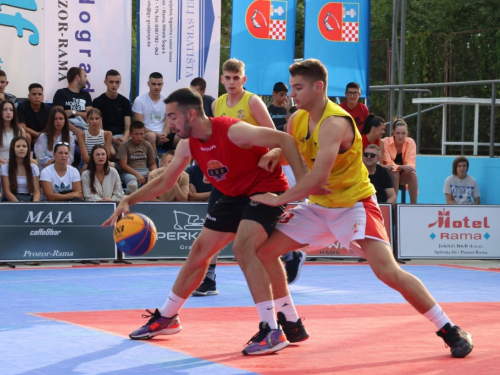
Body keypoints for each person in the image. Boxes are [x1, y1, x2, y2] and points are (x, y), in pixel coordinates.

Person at [250, 58, 473, 359]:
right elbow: (297, 156)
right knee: (263, 251)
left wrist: (279, 199)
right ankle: (290, 321)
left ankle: (449, 328)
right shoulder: (296, 120)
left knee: (387, 271)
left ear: (319, 87)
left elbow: (318, 177)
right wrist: (278, 151)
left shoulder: (335, 123)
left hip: (353, 205)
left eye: (298, 87)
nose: (292, 94)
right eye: (291, 88)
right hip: (319, 207)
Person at [102, 87, 306, 356]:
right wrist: (129, 200)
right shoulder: (187, 144)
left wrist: (302, 188)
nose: (169, 124)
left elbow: (286, 139)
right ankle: (168, 317)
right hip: (234, 194)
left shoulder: (233, 130)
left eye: (173, 117)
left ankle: (271, 329)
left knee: (244, 248)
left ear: (191, 115)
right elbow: (165, 180)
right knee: (200, 251)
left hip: (265, 189)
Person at [196, 58, 304, 296]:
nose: (232, 82)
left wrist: (267, 159)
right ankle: (210, 278)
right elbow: (215, 141)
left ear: (244, 80)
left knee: (254, 230)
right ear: (222, 79)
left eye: (236, 78)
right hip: (227, 176)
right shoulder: (217, 105)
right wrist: (209, 168)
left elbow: (274, 137)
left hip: (255, 176)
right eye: (228, 78)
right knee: (212, 222)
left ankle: (290, 254)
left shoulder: (252, 102)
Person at [92, 69, 132, 159]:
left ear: (120, 83)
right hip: (104, 136)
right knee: (111, 153)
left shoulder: (125, 102)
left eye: (117, 82)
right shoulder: (98, 102)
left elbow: (128, 126)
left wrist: (124, 138)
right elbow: (99, 128)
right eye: (111, 82)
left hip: (121, 136)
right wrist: (112, 140)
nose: (114, 85)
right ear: (105, 82)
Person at [132, 72, 173, 153]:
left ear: (162, 84)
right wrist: (156, 134)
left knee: (181, 139)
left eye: (159, 84)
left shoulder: (167, 101)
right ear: (148, 84)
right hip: (146, 135)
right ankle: (154, 163)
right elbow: (139, 126)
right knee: (151, 136)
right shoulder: (139, 100)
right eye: (153, 84)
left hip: (162, 135)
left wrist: (164, 134)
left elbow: (168, 124)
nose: (156, 87)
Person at [382, 118, 418, 204]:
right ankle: (394, 205)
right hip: (387, 174)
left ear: (407, 134)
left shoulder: (411, 142)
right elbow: (388, 162)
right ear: (393, 132)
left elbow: (411, 162)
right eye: (398, 133)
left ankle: (414, 205)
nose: (400, 136)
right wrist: (401, 167)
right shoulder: (385, 142)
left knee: (412, 174)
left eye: (403, 133)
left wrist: (408, 168)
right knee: (395, 172)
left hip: (402, 176)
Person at [117, 121, 157, 194]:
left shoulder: (147, 145)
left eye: (141, 134)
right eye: (136, 134)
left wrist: (152, 172)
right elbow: (123, 165)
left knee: (156, 181)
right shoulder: (124, 145)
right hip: (129, 172)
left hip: (145, 170)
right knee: (132, 185)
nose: (139, 137)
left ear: (144, 134)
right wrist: (137, 174)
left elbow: (153, 163)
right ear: (130, 134)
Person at [52, 66, 91, 135]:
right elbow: (58, 117)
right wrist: (77, 131)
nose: (87, 80)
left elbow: (90, 116)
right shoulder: (61, 93)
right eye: (85, 76)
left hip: (84, 129)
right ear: (77, 77)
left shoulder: (86, 95)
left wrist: (73, 112)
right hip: (67, 130)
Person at [1, 136, 41, 202]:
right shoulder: (5, 167)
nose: (21, 149)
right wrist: (20, 206)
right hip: (11, 202)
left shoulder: (34, 167)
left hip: (29, 200)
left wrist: (34, 205)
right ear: (12, 149)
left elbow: (37, 192)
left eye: (24, 146)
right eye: (18, 146)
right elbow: (7, 192)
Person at [0, 100, 27, 167]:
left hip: (16, 161)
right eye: (5, 110)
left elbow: (24, 150)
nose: (8, 112)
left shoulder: (20, 130)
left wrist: (11, 161)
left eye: (11, 110)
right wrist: (4, 162)